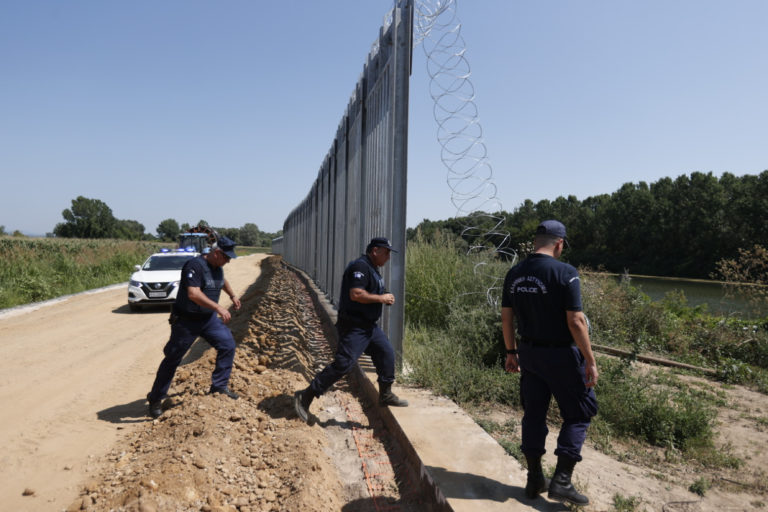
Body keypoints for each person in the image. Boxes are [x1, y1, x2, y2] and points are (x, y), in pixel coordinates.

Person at [501, 220, 598, 506]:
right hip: (561, 356)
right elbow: (576, 320)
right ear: (559, 244)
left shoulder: (515, 273)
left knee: (534, 414)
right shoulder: (566, 272)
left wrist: (511, 352)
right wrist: (590, 360)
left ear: (536, 241)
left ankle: (534, 479)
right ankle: (562, 482)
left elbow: (507, 317)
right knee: (579, 413)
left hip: (529, 354)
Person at [294, 237, 408, 423]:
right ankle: (305, 396)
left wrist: (385, 295)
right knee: (344, 364)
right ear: (375, 251)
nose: (388, 257)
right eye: (386, 252)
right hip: (354, 326)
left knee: (386, 353)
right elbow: (356, 294)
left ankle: (385, 394)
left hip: (369, 327)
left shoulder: (373, 270)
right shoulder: (360, 267)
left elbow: (374, 290)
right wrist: (381, 299)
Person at [147, 236, 242, 418]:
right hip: (186, 321)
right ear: (216, 253)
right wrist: (218, 307)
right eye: (226, 257)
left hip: (208, 320)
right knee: (173, 358)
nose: (228, 261)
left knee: (227, 345)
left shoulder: (218, 268)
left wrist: (232, 296)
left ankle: (219, 387)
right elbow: (193, 293)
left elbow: (223, 281)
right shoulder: (195, 266)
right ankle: (156, 398)